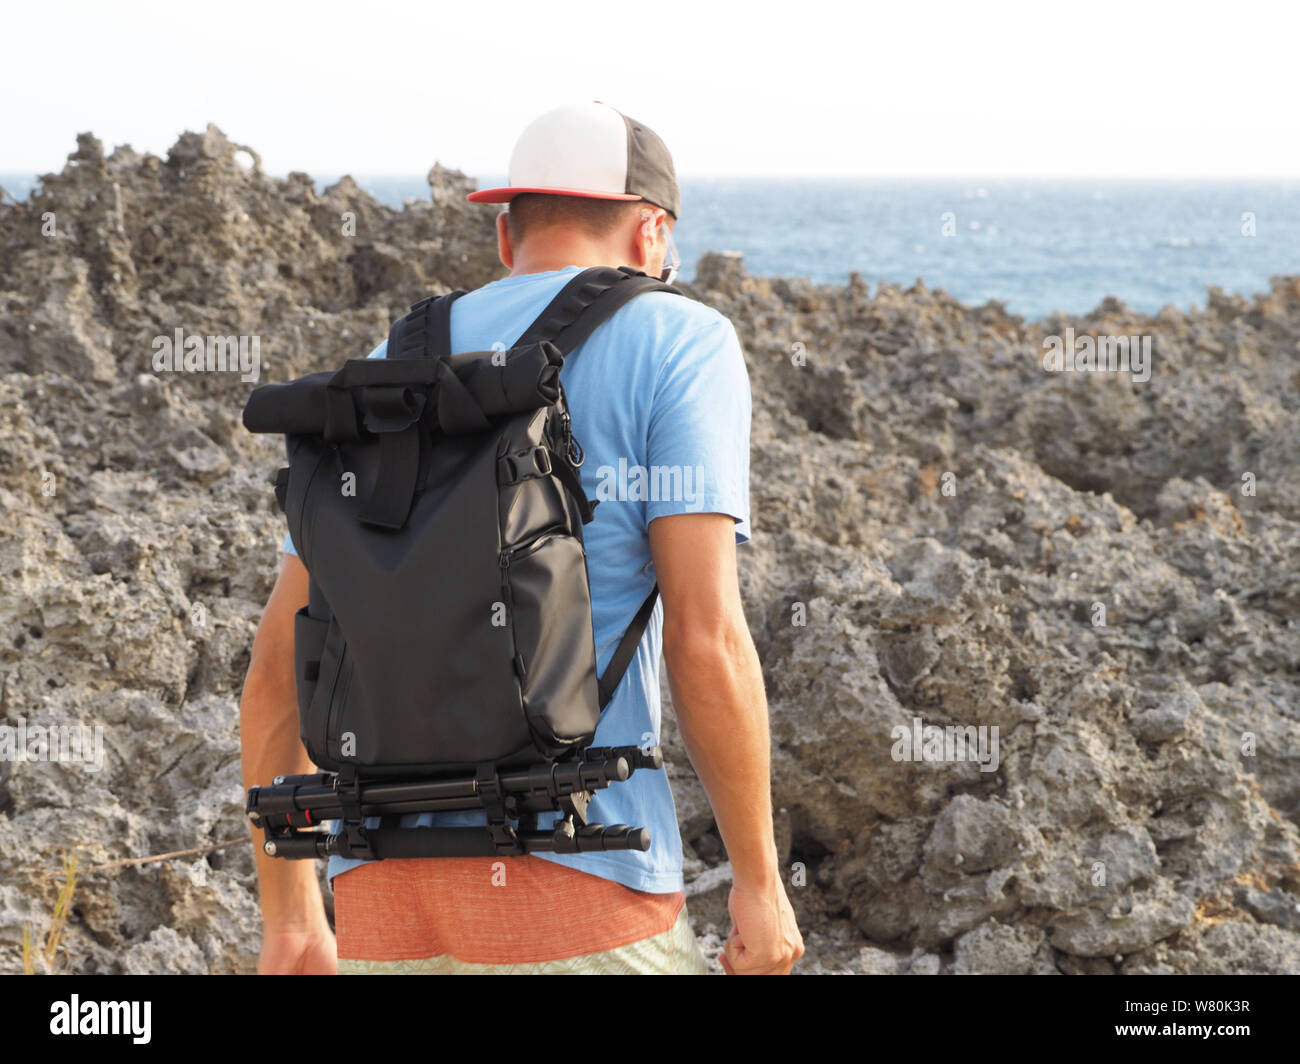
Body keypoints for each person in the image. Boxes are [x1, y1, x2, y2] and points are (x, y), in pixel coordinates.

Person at [239, 101, 804, 975]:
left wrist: (289, 918)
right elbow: (707, 640)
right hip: (581, 884)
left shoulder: (390, 359)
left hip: (385, 906)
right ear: (653, 234)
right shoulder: (681, 341)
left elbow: (279, 663)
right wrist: (760, 885)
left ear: (507, 235)